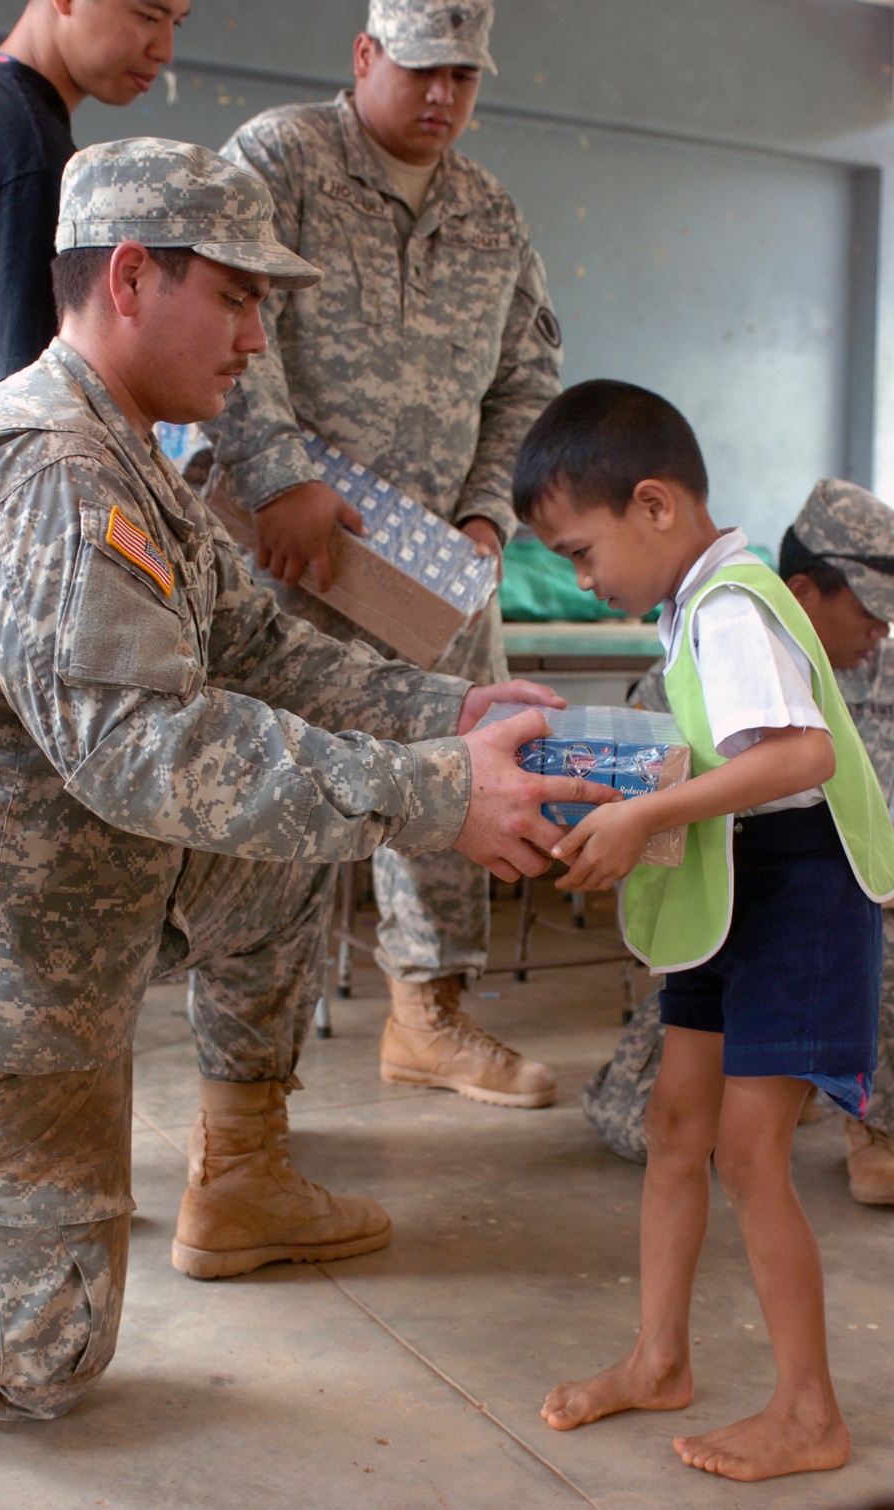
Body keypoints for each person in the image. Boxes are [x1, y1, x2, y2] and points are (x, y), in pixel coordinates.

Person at [0, 136, 616, 1421]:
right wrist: (442, 791)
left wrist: (459, 708)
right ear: (128, 279)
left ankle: (243, 1174)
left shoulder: (137, 464)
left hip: (84, 894)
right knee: (27, 1366)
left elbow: (271, 656)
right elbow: (151, 752)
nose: (253, 340)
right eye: (233, 299)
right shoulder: (52, 474)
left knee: (291, 846)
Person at [511, 380, 894, 1482]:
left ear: (655, 506)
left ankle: (810, 1413)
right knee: (675, 1128)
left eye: (582, 552)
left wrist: (639, 812)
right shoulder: (693, 604)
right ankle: (658, 1357)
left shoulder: (730, 605)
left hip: (799, 892)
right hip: (732, 885)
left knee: (747, 1154)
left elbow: (799, 758)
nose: (583, 581)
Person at [205, 0, 564, 1117]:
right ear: (364, 57)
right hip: (293, 552)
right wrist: (277, 476)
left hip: (439, 565)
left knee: (466, 766)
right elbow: (219, 314)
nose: (443, 97)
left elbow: (526, 380)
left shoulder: (490, 209)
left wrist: (486, 516)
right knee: (272, 796)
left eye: (464, 76)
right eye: (421, 70)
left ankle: (427, 1013)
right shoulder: (280, 158)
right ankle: (242, 1093)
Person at [582, 479, 894, 1207]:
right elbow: (648, 808)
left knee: (751, 1153)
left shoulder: (879, 664)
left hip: (840, 911)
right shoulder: (708, 635)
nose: (880, 630)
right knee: (653, 1125)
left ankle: (867, 1121)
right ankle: (802, 1081)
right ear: (805, 592)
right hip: (732, 913)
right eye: (870, 610)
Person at [0, 0, 191, 491]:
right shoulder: (28, 155)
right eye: (147, 15)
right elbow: (38, 421)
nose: (163, 49)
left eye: (176, 24)